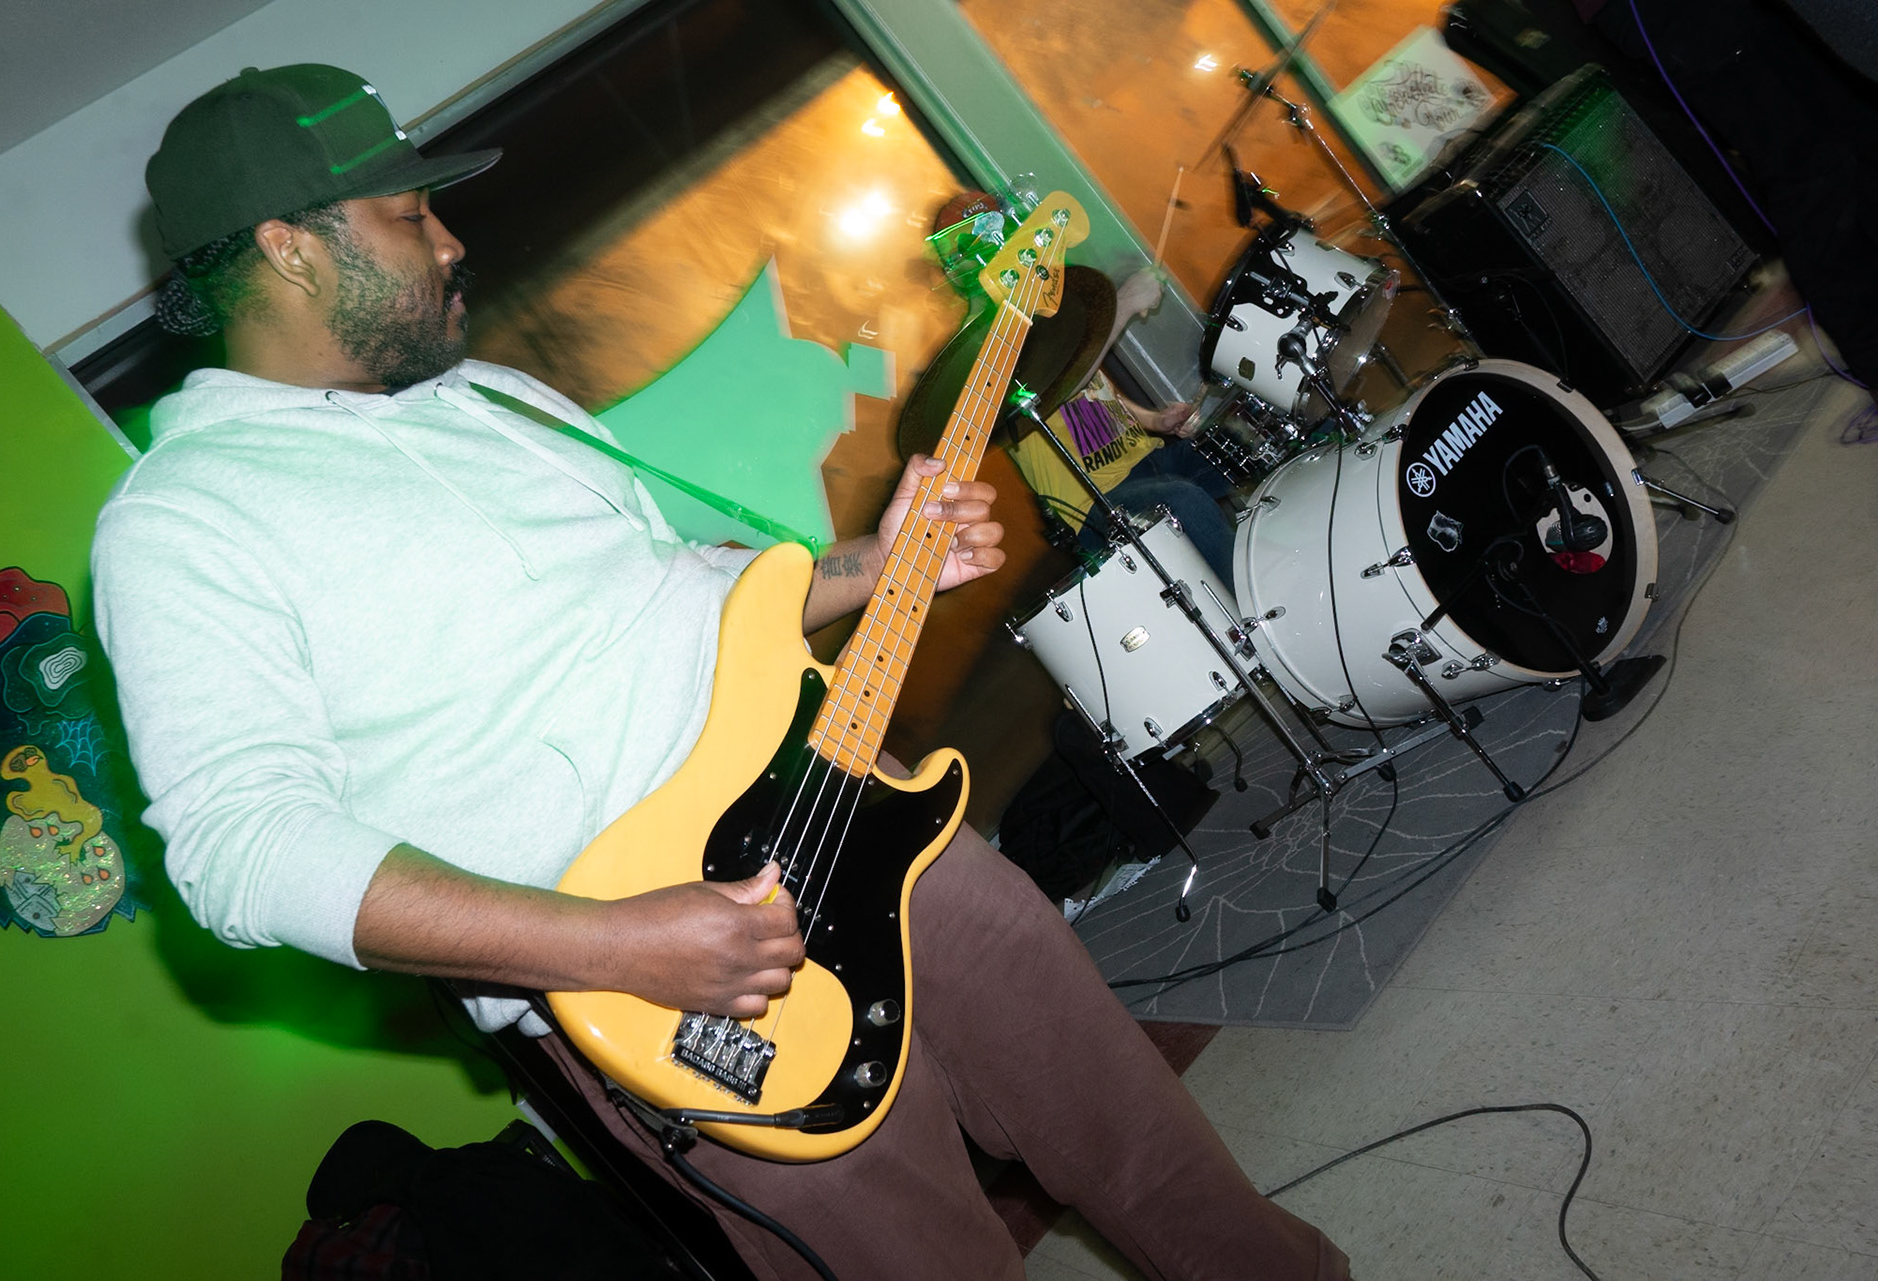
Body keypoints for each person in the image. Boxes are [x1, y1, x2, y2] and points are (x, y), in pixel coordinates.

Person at [94, 64, 1349, 1280]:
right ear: (292, 247)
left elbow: (686, 590)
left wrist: (871, 565)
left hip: (860, 819)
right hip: (679, 985)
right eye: (411, 214)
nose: (452, 240)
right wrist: (611, 947)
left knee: (1141, 1143)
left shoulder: (491, 399)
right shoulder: (183, 517)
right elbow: (240, 846)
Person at [905, 194, 1237, 586]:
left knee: (1237, 447)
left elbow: (1095, 391)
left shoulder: (1045, 305)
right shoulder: (983, 344)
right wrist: (1125, 303)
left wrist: (1155, 420)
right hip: (1094, 501)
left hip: (1148, 457)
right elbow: (1056, 394)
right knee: (1184, 500)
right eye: (988, 242)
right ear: (960, 267)